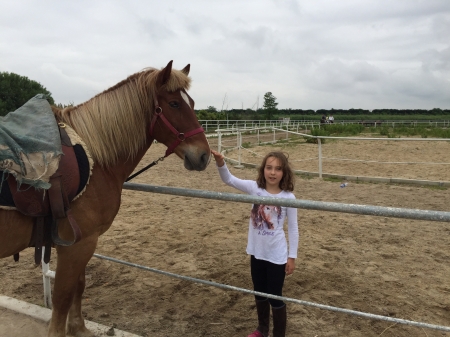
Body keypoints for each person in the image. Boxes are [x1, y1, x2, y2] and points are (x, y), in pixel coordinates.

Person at [211, 149, 299, 337]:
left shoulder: (288, 198)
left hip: (277, 255)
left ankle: (279, 334)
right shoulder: (254, 189)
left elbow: (293, 229)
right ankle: (262, 329)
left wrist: (292, 257)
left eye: (278, 169)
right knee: (259, 291)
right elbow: (229, 180)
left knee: (275, 296)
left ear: (284, 173)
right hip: (257, 252)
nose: (273, 172)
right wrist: (220, 162)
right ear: (263, 170)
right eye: (269, 168)